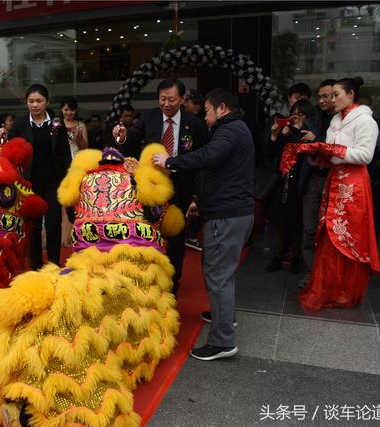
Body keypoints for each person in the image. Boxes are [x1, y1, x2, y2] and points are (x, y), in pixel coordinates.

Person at [152, 88, 254, 361]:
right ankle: (224, 317)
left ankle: (222, 341)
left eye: (207, 111)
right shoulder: (237, 129)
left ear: (221, 108)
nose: (205, 118)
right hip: (232, 210)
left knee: (218, 275)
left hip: (227, 214)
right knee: (223, 272)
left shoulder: (229, 131)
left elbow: (206, 157)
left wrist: (170, 161)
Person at [113, 78, 208, 292]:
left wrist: (195, 195)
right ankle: (149, 281)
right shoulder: (149, 117)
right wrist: (121, 137)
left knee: (175, 236)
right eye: (162, 99)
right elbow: (131, 138)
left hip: (180, 187)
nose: (166, 104)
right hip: (152, 188)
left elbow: (201, 160)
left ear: (182, 99)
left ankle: (172, 284)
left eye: (171, 99)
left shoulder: (194, 124)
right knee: (148, 233)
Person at [298, 77, 380, 311]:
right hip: (334, 180)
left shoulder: (365, 121)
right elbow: (332, 154)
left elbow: (365, 156)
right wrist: (319, 154)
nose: (332, 100)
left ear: (351, 94)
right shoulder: (336, 120)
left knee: (346, 238)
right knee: (328, 236)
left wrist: (330, 149)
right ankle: (329, 289)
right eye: (330, 95)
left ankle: (345, 293)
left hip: (353, 185)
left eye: (336, 95)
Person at [0, 84, 71, 269]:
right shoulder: (20, 124)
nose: (35, 105)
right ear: (26, 103)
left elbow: (64, 153)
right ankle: (36, 266)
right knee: (34, 226)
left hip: (53, 180)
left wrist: (67, 180)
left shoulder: (56, 123)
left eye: (39, 101)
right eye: (31, 101)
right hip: (29, 183)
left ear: (47, 102)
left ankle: (54, 264)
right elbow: (11, 152)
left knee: (54, 223)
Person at [265, 99, 315, 273]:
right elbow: (270, 154)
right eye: (294, 113)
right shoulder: (285, 133)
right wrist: (274, 134)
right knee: (278, 222)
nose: (296, 117)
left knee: (297, 223)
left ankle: (295, 259)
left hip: (300, 183)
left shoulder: (309, 133)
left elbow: (310, 155)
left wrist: (299, 130)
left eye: (300, 114)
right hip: (282, 181)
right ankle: (276, 258)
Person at [296, 80, 336, 285]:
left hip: (335, 181)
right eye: (319, 96)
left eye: (326, 96)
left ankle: (328, 275)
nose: (321, 100)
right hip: (312, 179)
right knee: (309, 228)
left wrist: (317, 139)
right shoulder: (313, 117)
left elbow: (340, 146)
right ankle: (311, 273)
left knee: (330, 231)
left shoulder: (342, 120)